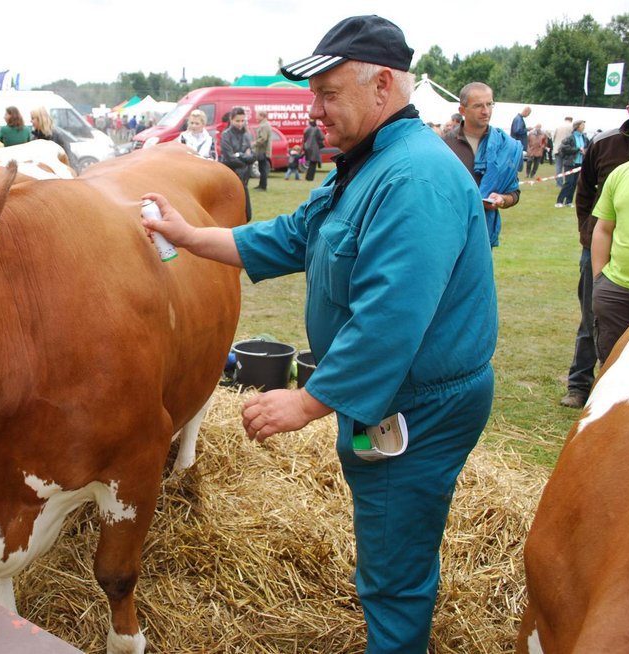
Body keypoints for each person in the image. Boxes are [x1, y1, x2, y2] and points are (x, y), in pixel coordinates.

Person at [142, 15, 496, 653]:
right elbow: (291, 236)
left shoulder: (413, 176)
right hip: (388, 397)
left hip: (415, 406)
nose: (316, 110)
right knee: (391, 540)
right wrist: (189, 236)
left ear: (382, 85)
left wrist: (306, 400)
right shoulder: (368, 165)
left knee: (394, 567)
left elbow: (389, 320)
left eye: (329, 93)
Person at [559, 90, 629, 408]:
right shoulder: (605, 144)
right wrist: (587, 234)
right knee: (593, 317)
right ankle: (580, 384)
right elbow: (584, 190)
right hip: (599, 247)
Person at [442, 82, 521, 247]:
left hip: (484, 235)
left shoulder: (505, 146)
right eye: (478, 106)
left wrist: (502, 200)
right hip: (448, 231)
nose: (486, 111)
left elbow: (514, 193)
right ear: (462, 110)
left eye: (489, 104)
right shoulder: (444, 145)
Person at [591, 156, 629, 363]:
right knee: (613, 367)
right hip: (617, 293)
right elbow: (603, 228)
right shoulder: (622, 173)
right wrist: (600, 279)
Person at [219, 106, 255, 222]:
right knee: (229, 212)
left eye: (242, 120)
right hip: (230, 176)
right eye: (237, 121)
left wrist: (239, 155)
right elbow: (229, 158)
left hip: (244, 177)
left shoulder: (247, 134)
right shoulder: (226, 135)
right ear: (231, 119)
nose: (240, 123)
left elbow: (253, 156)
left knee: (247, 214)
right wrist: (244, 157)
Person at [555, 120, 589, 208]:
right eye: (582, 125)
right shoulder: (570, 138)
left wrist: (585, 151)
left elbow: (588, 148)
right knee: (568, 182)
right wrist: (577, 149)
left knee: (574, 183)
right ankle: (559, 201)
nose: (584, 127)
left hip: (580, 163)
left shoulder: (584, 138)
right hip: (570, 163)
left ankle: (569, 201)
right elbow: (564, 148)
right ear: (577, 127)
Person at [253, 110, 272, 191]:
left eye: (257, 115)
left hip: (262, 150)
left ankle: (263, 186)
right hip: (262, 150)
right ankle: (260, 185)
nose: (256, 117)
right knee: (261, 168)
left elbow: (263, 138)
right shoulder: (264, 124)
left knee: (263, 169)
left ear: (262, 116)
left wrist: (254, 144)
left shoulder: (264, 125)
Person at [552, 116, 574, 187]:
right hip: (568, 149)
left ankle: (559, 183)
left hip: (558, 148)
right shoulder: (572, 126)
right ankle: (568, 182)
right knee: (568, 166)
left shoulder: (558, 126)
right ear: (571, 120)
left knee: (558, 167)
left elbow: (554, 137)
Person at [510, 106, 531, 174]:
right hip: (518, 143)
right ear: (526, 112)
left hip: (517, 143)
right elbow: (517, 130)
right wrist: (527, 129)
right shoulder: (519, 119)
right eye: (528, 114)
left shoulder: (519, 119)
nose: (528, 116)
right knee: (517, 162)